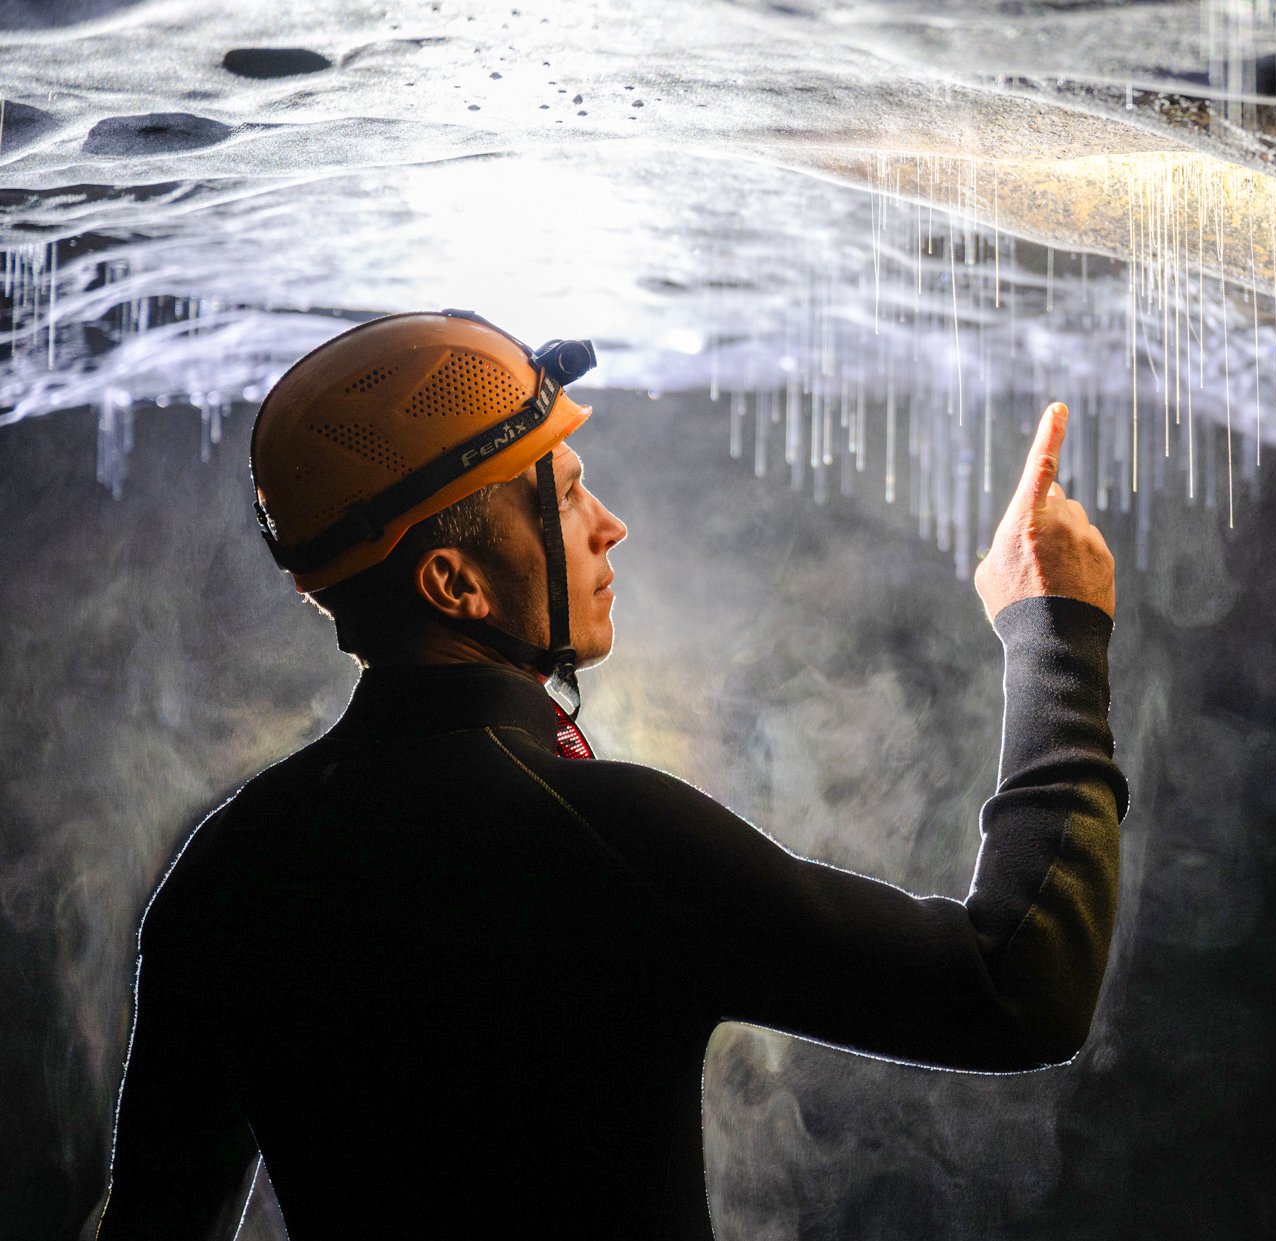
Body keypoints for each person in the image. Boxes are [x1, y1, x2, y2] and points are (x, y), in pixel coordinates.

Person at [92, 310, 1127, 1239]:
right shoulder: (613, 842)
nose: (607, 524)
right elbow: (1019, 988)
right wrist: (1055, 629)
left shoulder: (225, 871)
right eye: (568, 494)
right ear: (452, 579)